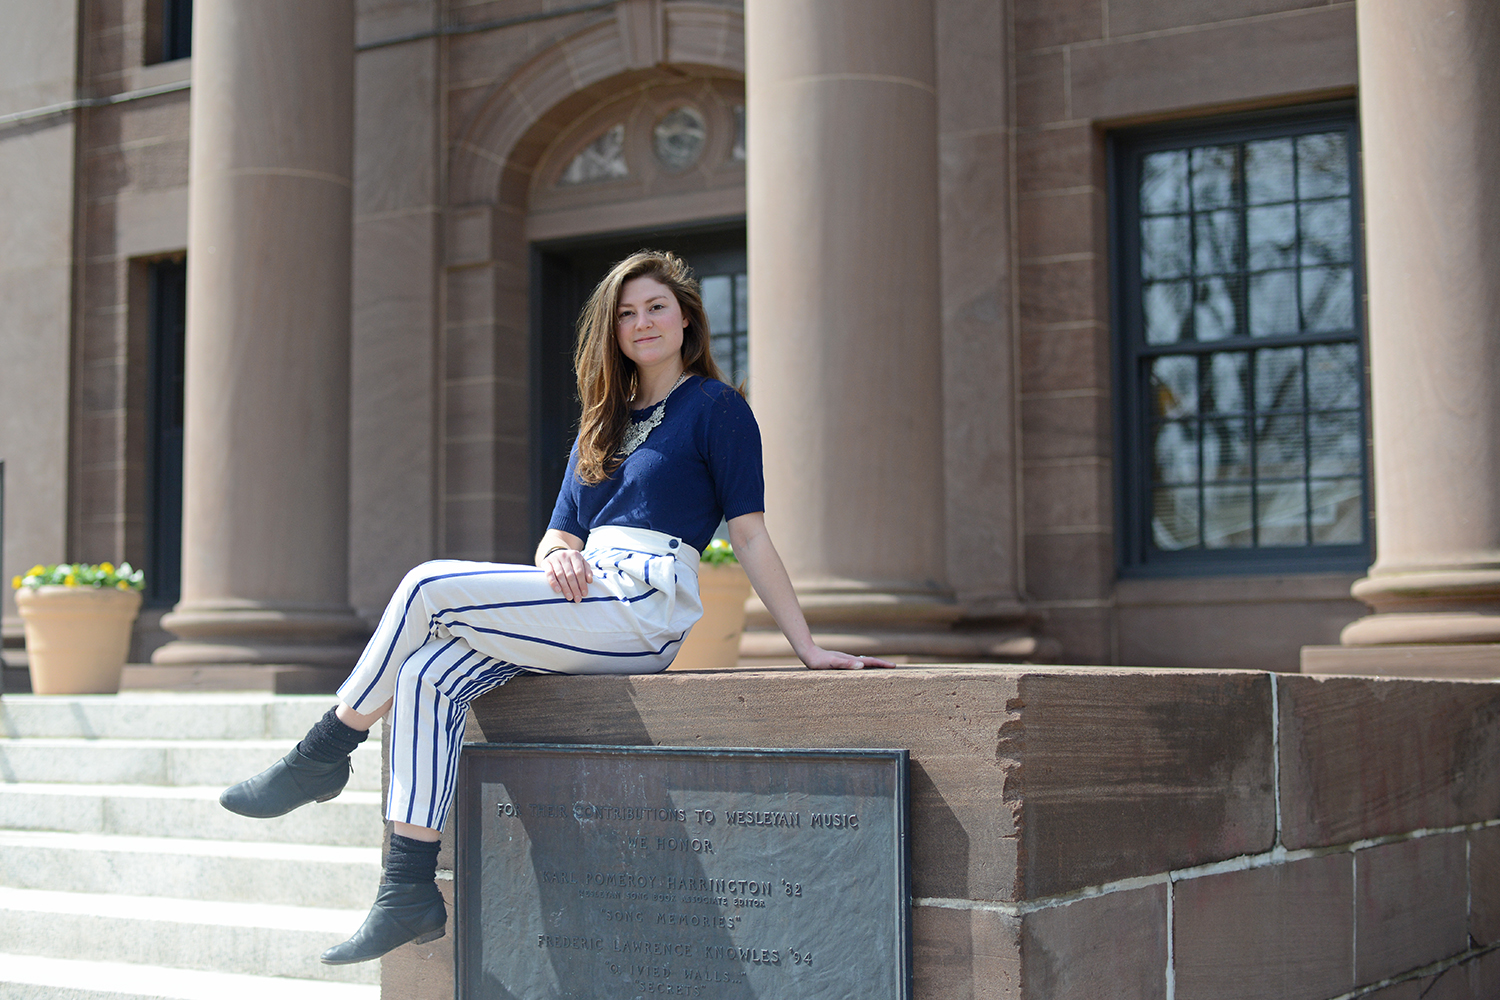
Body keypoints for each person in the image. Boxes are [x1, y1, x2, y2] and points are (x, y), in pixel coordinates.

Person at [217, 249, 894, 965]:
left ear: (687, 317)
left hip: (640, 606)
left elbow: (750, 534)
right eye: (627, 313)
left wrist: (806, 646)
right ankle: (408, 887)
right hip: (583, 591)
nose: (643, 323)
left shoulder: (716, 409)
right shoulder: (599, 423)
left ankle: (322, 753)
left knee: (424, 587)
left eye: (656, 307)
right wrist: (555, 554)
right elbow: (557, 532)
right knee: (425, 677)